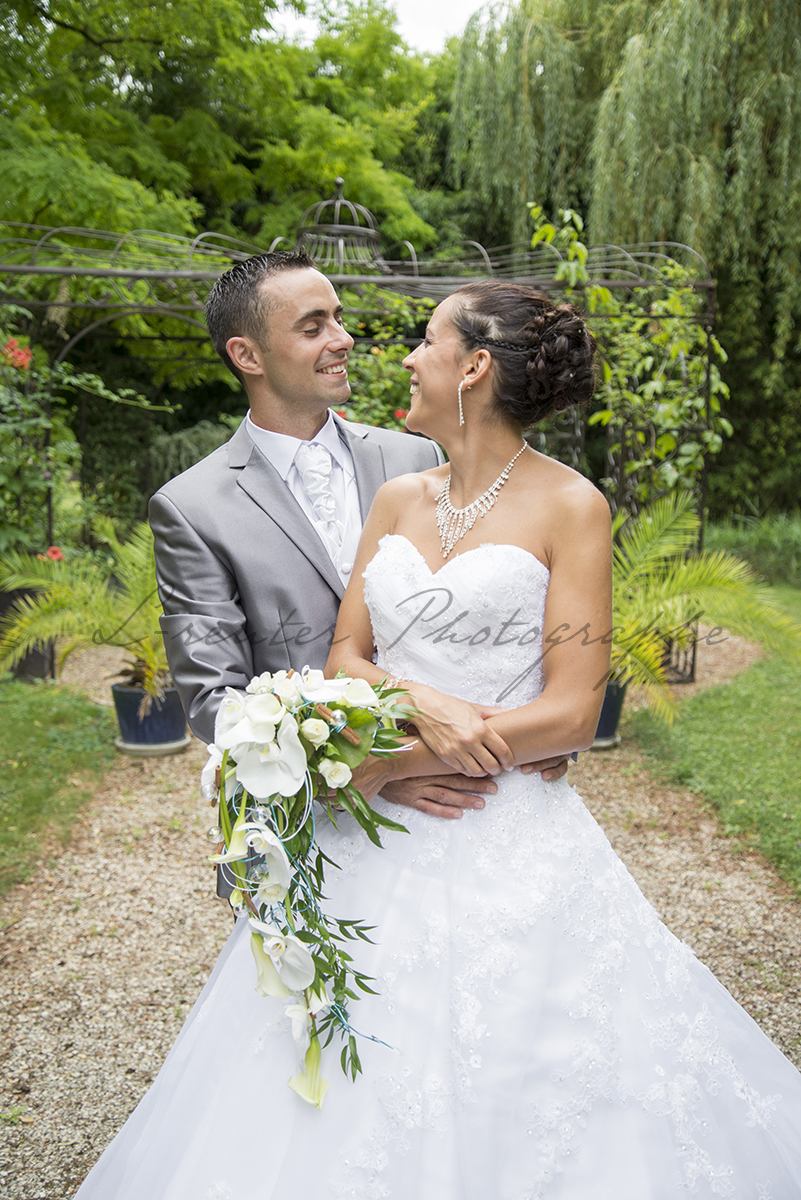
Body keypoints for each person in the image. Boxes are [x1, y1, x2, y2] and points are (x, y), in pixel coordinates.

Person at [73, 281, 801, 1200]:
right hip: (356, 835)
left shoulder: (567, 503)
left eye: (424, 340)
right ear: (247, 354)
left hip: (506, 822)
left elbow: (572, 711)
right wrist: (411, 713)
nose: (391, 352)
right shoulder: (397, 496)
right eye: (316, 325)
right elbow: (339, 656)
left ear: (475, 367)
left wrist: (400, 760)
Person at [148, 250, 568, 830]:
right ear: (247, 356)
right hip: (307, 823)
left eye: (339, 318)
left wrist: (531, 732)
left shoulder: (418, 456)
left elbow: (503, 608)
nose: (343, 339)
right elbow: (213, 702)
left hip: (470, 797)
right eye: (313, 327)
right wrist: (371, 770)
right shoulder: (191, 507)